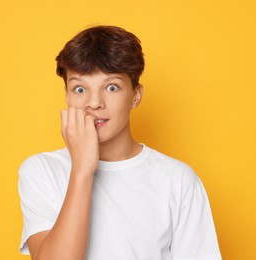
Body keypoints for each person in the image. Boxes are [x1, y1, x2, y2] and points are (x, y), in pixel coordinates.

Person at [18, 25, 222, 260]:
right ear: (67, 95)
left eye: (111, 87)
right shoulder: (42, 170)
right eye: (80, 88)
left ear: (136, 95)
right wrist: (82, 170)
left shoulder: (177, 179)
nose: (94, 103)